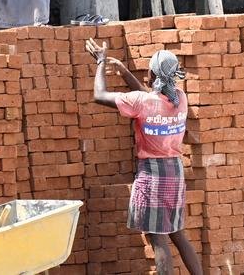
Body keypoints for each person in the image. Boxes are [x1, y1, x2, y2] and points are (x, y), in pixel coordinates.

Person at [86, 39, 203, 275]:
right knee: (177, 234)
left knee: (158, 238)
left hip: (153, 175)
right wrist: (124, 71)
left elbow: (99, 95)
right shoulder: (180, 99)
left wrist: (101, 61)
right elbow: (149, 98)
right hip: (175, 172)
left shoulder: (143, 102)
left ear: (153, 74)